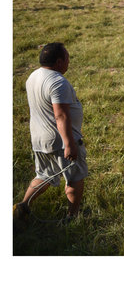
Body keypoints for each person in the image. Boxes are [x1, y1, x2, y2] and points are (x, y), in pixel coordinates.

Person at [14, 43, 88, 222]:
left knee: (44, 175)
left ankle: (21, 207)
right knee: (74, 177)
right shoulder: (58, 82)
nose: (69, 62)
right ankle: (72, 216)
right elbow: (60, 115)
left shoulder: (33, 76)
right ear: (59, 61)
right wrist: (69, 143)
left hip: (40, 139)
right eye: (67, 58)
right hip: (61, 141)